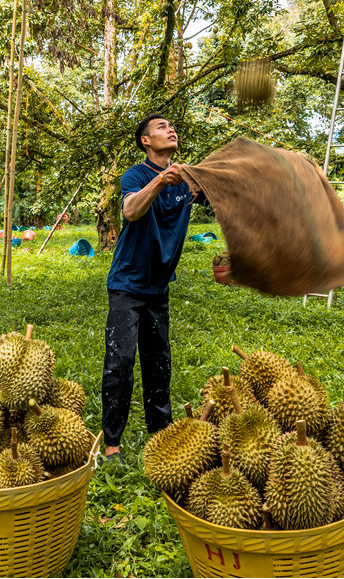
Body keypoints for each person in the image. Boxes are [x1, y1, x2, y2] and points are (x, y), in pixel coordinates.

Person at [101, 113, 207, 462]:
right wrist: (161, 180)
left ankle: (161, 435)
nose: (170, 129)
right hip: (127, 283)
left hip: (158, 288)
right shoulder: (136, 175)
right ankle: (112, 444)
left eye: (172, 126)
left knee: (158, 362)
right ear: (145, 140)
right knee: (121, 361)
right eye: (161, 127)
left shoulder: (188, 181)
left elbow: (225, 198)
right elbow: (131, 211)